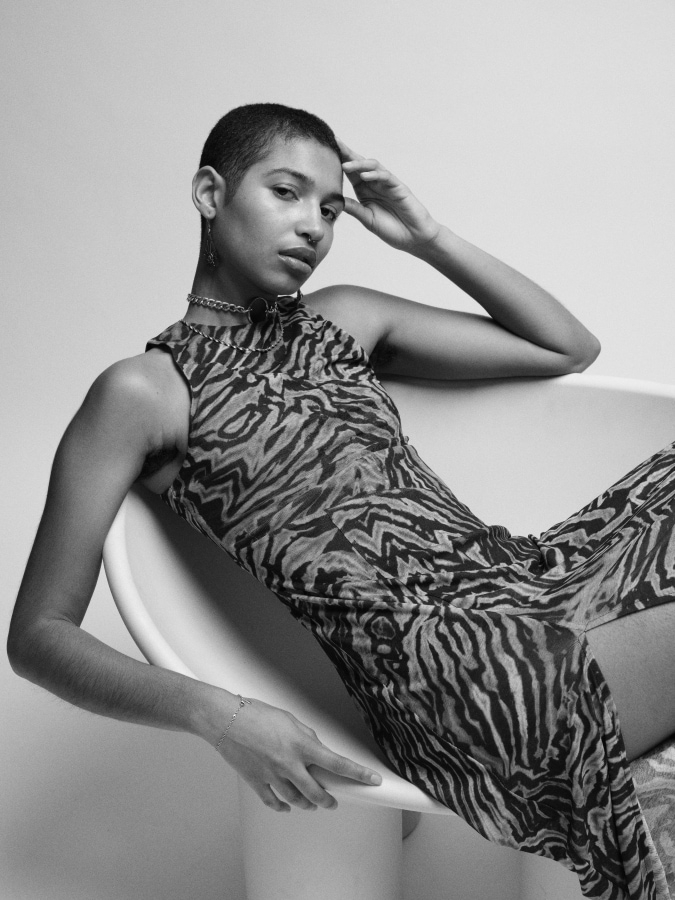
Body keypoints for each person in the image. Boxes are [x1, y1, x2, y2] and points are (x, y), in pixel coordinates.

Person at [7, 103, 675, 900]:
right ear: (210, 193)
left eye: (329, 209)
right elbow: (38, 636)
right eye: (285, 192)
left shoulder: (343, 319)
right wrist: (222, 715)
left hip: (534, 584)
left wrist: (426, 236)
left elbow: (565, 347)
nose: (312, 227)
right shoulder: (144, 393)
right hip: (460, 674)